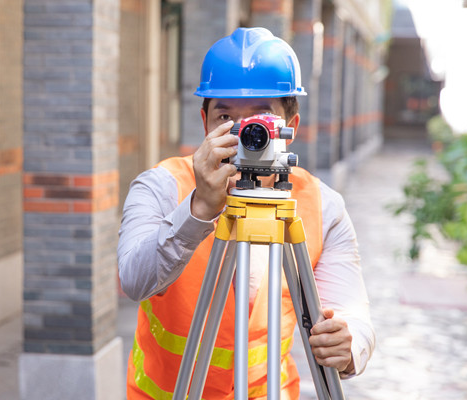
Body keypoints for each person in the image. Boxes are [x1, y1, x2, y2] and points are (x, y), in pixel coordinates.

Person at [118, 27, 375, 399]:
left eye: (259, 118)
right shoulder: (161, 186)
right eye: (225, 117)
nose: (242, 134)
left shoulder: (322, 205)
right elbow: (134, 281)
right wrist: (198, 209)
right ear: (205, 123)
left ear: (290, 127)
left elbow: (352, 312)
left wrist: (348, 345)